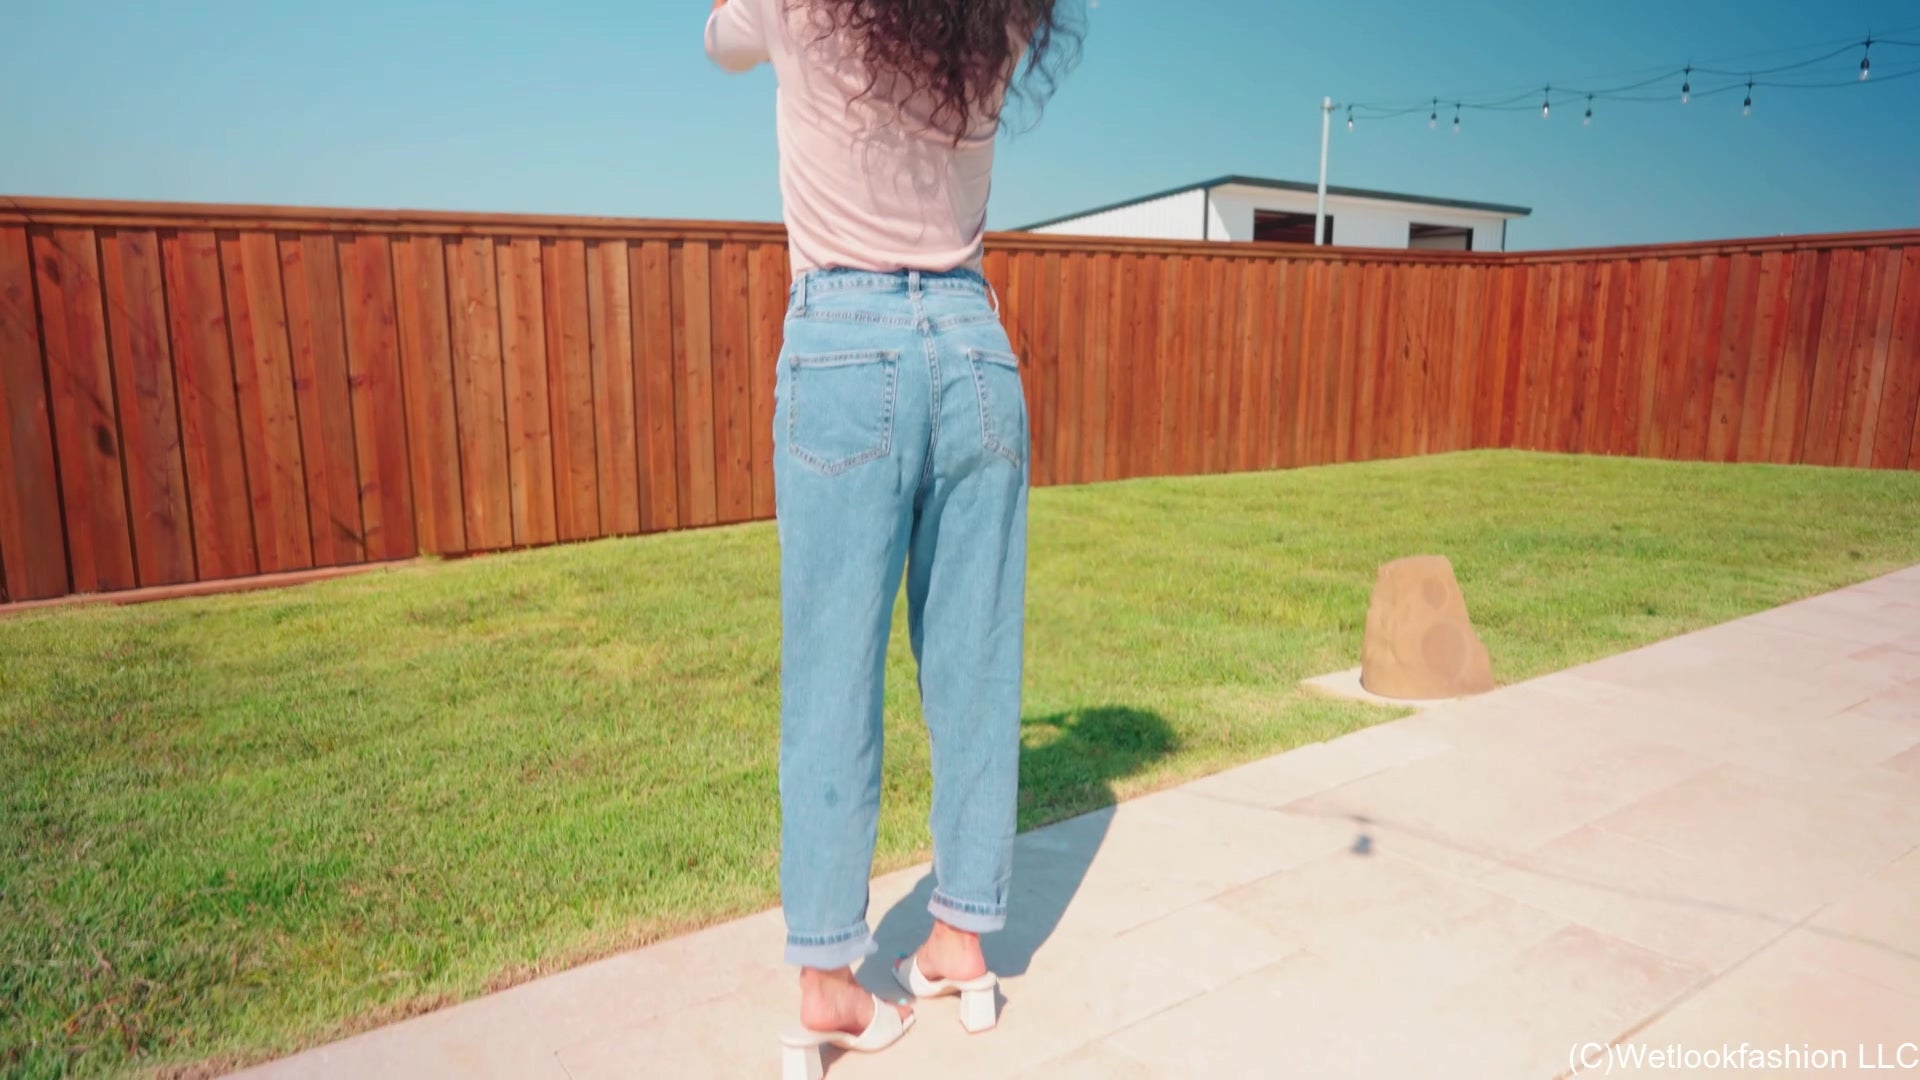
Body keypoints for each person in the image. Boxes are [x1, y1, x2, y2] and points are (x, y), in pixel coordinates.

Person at [702, 0, 1078, 1071]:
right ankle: (961, 936)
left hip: (843, 342)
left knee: (831, 671)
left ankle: (829, 979)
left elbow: (719, 43)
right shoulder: (998, 23)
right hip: (971, 344)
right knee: (973, 668)